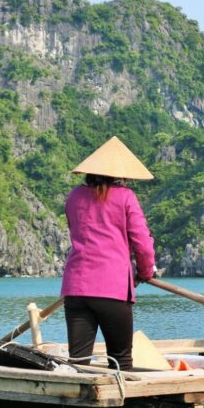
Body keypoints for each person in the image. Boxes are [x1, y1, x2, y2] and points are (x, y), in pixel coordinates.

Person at [60, 136, 156, 371]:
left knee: (78, 363)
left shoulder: (74, 196)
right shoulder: (125, 197)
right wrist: (145, 272)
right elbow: (142, 244)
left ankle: (80, 405)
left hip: (76, 288)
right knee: (121, 360)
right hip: (112, 289)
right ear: (120, 174)